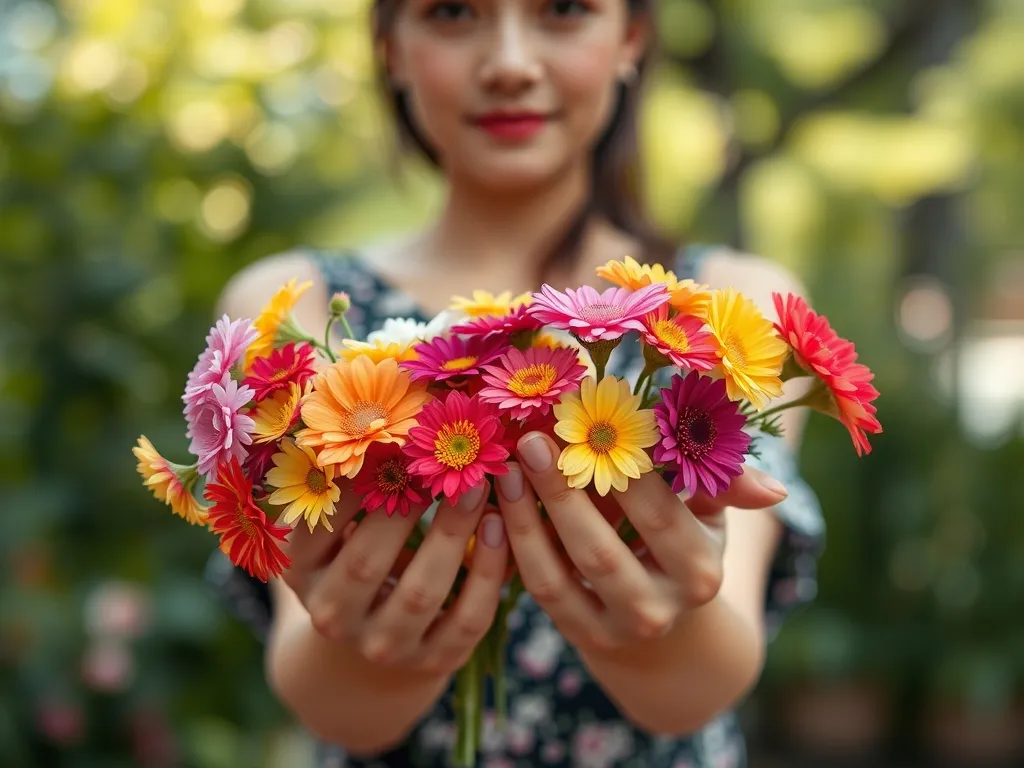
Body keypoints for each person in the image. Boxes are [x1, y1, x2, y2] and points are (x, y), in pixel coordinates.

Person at [204, 0, 825, 765]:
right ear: (390, 48)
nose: (509, 64)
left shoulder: (731, 310)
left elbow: (701, 686)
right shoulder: (293, 310)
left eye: (563, 10)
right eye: (453, 12)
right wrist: (378, 641)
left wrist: (665, 620)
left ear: (630, 37)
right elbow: (334, 706)